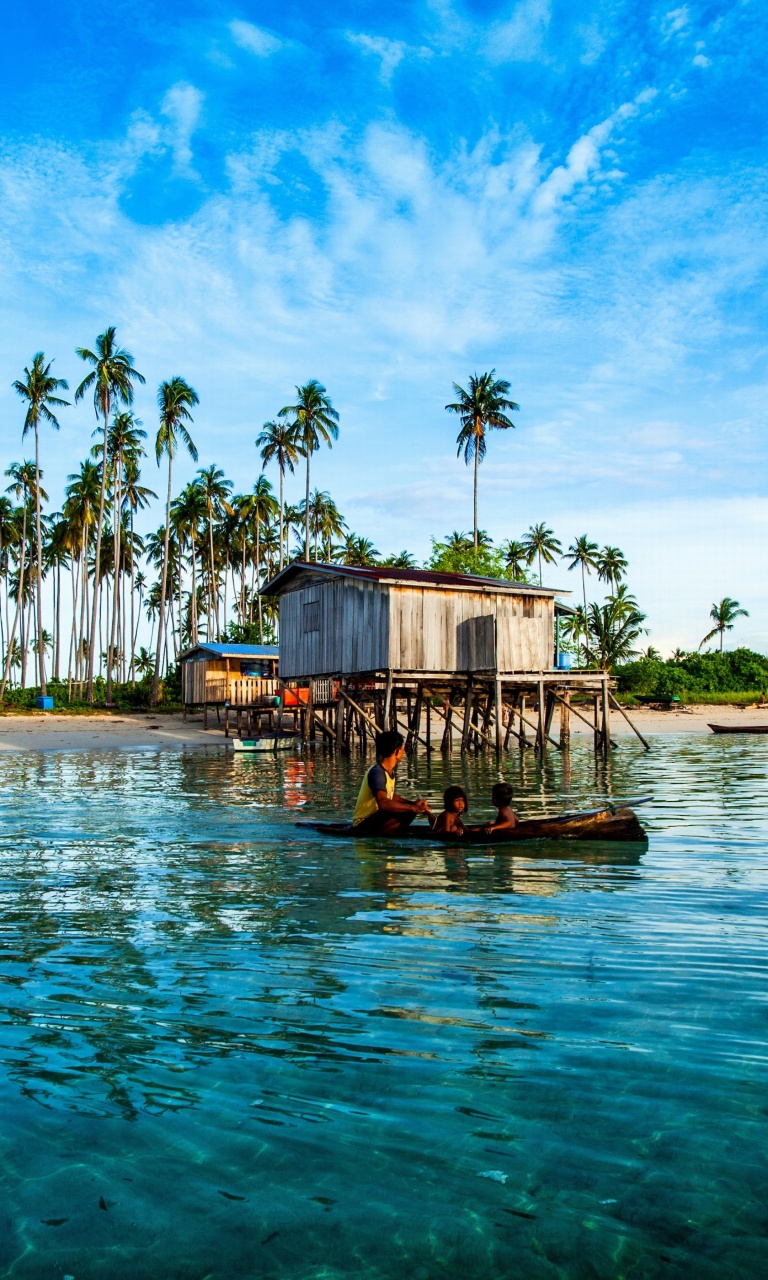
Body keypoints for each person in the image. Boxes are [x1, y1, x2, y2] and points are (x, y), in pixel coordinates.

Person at [352, 730, 432, 834]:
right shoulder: (377, 772)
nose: (404, 751)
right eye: (403, 749)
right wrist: (413, 808)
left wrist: (413, 804)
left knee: (409, 810)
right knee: (409, 811)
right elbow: (384, 803)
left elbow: (390, 796)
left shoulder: (388, 771)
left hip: (375, 819)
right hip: (362, 824)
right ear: (397, 751)